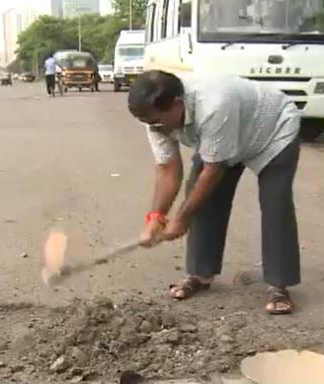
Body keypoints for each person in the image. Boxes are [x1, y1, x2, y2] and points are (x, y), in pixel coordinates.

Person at [128, 70, 301, 315]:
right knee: (200, 200)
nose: (155, 129)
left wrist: (180, 219)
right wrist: (155, 217)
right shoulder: (154, 119)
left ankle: (278, 284)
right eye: (148, 124)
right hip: (223, 137)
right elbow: (167, 169)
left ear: (178, 104)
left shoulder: (215, 103)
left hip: (271, 130)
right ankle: (200, 274)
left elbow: (214, 170)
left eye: (157, 122)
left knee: (276, 203)